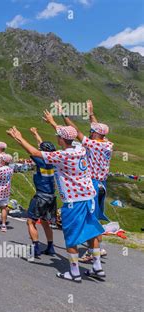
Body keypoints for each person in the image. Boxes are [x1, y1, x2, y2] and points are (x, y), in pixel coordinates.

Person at [8, 112, 105, 283]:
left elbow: (35, 152)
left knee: (71, 236)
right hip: (89, 196)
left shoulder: (62, 156)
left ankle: (74, 272)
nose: (57, 138)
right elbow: (69, 134)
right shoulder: (80, 148)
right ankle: (97, 267)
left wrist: (19, 137)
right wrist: (53, 122)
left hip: (73, 201)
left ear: (61, 139)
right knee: (90, 233)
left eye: (58, 136)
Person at [60, 100, 113, 262]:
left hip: (94, 184)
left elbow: (75, 132)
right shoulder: (108, 144)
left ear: (96, 134)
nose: (89, 133)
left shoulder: (92, 144)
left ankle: (93, 251)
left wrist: (63, 115)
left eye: (91, 132)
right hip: (103, 184)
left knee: (90, 217)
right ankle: (97, 247)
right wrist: (91, 113)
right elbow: (96, 126)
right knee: (95, 215)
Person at [26, 127, 57, 257]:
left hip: (40, 196)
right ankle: (50, 247)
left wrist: (17, 137)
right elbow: (42, 148)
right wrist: (36, 134)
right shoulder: (55, 161)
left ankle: (36, 247)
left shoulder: (40, 161)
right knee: (45, 222)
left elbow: (31, 150)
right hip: (51, 197)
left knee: (30, 221)